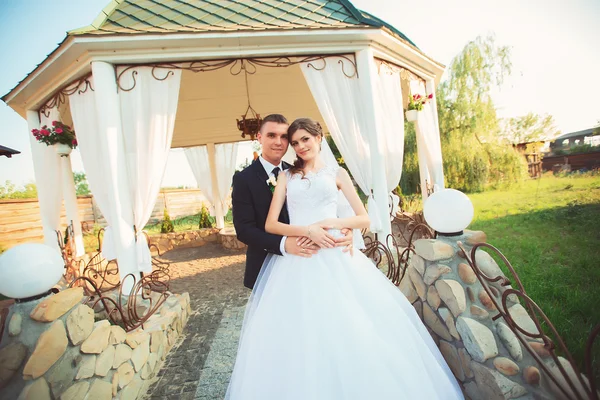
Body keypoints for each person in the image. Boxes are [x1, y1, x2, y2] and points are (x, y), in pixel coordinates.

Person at [226, 118, 464, 399]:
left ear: (319, 138)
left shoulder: (335, 173)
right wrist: (308, 231)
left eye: (302, 139)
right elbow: (261, 226)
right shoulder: (282, 177)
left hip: (336, 257)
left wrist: (341, 226)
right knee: (294, 335)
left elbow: (361, 216)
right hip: (294, 261)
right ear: (260, 137)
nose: (296, 145)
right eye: (293, 142)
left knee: (352, 323)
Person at [231, 114, 353, 290]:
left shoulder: (296, 172)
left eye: (284, 137)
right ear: (259, 137)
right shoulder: (244, 179)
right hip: (268, 266)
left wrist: (343, 230)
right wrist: (284, 244)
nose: (278, 142)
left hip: (313, 258)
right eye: (271, 135)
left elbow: (322, 203)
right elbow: (244, 230)